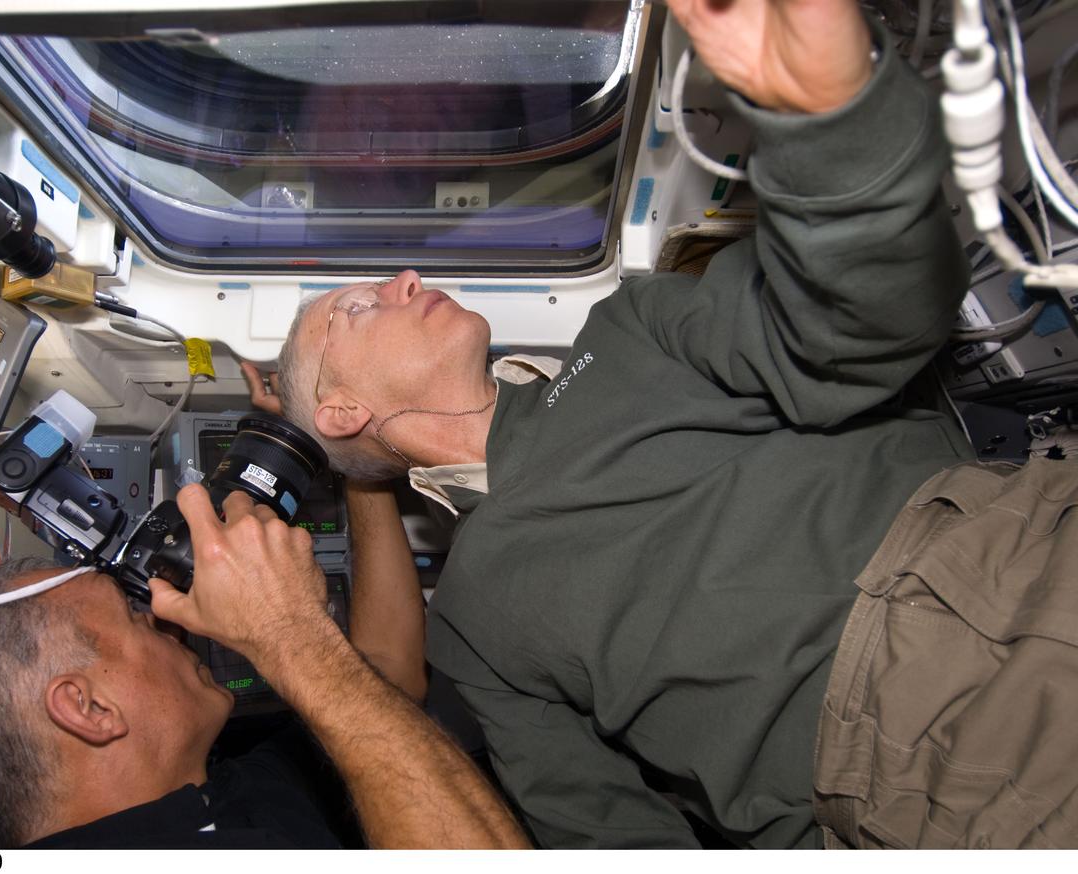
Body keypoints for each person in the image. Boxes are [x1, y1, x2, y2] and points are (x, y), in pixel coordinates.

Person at [272, 0, 1078, 850]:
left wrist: (831, 118)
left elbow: (860, 325)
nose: (403, 277)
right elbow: (613, 835)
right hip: (910, 773)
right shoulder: (471, 621)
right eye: (357, 308)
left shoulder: (631, 328)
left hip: (1015, 544)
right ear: (345, 412)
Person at [0, 485, 528, 849]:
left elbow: (385, 681)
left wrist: (364, 474)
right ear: (88, 709)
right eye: (133, 619)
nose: (165, 620)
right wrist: (290, 636)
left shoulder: (216, 787)